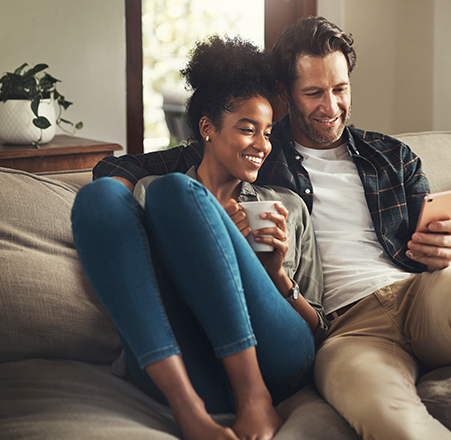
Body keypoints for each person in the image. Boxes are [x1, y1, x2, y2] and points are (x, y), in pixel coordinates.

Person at [92, 17, 451, 440]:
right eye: (314, 93)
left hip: (421, 294)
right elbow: (116, 172)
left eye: (340, 89)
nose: (331, 106)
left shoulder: (392, 156)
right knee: (388, 419)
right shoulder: (254, 146)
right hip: (343, 332)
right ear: (284, 94)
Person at [71, 35, 326, 440]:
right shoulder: (152, 192)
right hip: (189, 367)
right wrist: (204, 227)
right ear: (207, 128)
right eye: (248, 130)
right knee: (98, 197)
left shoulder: (288, 206)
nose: (262, 145)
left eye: (267, 133)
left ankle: (254, 399)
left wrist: (275, 274)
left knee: (175, 191)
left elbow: (318, 329)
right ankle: (189, 413)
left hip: (274, 358)